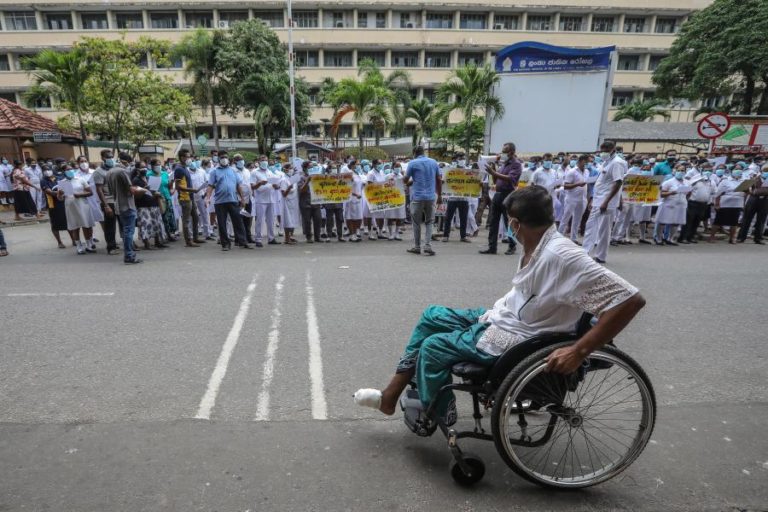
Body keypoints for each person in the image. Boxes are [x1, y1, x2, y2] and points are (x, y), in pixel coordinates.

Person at [353, 185, 645, 424]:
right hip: (502, 318)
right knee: (432, 316)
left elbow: (631, 300)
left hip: (517, 337)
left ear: (515, 223)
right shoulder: (538, 245)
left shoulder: (562, 256)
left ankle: (438, 412)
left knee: (433, 347)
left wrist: (579, 350)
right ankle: (391, 396)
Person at [582, 140, 625, 264]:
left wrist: (606, 202)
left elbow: (618, 183)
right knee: (591, 226)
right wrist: (593, 199)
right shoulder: (606, 162)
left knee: (604, 229)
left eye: (606, 150)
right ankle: (585, 252)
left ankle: (601, 256)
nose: (603, 153)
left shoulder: (617, 163)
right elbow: (601, 183)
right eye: (602, 150)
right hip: (598, 199)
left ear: (613, 150)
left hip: (607, 202)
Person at [204, 150, 252, 251]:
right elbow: (210, 186)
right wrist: (207, 198)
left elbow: (238, 185)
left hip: (233, 200)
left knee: (238, 221)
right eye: (221, 158)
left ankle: (242, 241)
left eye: (225, 157)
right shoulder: (214, 172)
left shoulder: (233, 171)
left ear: (228, 159)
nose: (224, 159)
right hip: (220, 202)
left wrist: (242, 198)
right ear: (219, 159)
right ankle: (225, 244)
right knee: (222, 223)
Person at [479, 142, 521, 255]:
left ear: (511, 152)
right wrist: (492, 171)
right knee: (493, 221)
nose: (502, 153)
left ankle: (512, 246)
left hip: (509, 195)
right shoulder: (504, 164)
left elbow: (511, 179)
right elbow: (496, 181)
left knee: (509, 222)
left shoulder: (516, 164)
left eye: (505, 151)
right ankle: (492, 247)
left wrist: (494, 173)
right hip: (498, 194)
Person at [106, 153, 144, 264]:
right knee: (128, 231)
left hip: (118, 204)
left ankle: (129, 254)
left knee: (125, 230)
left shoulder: (110, 172)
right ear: (126, 162)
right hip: (127, 204)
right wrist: (142, 190)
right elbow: (130, 190)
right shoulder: (122, 172)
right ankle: (129, 255)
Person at [404, 146, 441, 256]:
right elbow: (439, 179)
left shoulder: (412, 163)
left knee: (416, 223)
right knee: (429, 222)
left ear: (414, 153)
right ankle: (428, 246)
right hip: (430, 197)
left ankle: (417, 246)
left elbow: (406, 179)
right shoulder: (433, 162)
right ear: (423, 152)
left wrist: (408, 182)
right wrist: (440, 195)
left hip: (417, 197)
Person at [58, 165, 96, 255]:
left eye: (71, 169)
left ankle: (89, 245)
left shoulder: (80, 179)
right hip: (70, 206)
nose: (70, 170)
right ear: (64, 172)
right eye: (67, 169)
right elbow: (60, 198)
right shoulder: (62, 183)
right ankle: (79, 246)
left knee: (86, 225)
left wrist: (80, 194)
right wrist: (60, 194)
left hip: (82, 204)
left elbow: (90, 192)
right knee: (75, 226)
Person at [131, 162, 167, 250]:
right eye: (142, 167)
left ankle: (158, 242)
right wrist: (145, 189)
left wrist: (156, 193)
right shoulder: (136, 180)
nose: (145, 169)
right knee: (145, 224)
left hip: (153, 203)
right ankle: (147, 244)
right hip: (143, 205)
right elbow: (136, 195)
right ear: (137, 169)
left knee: (156, 222)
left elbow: (153, 190)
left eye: (145, 167)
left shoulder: (148, 178)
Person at [173, 149, 204, 248]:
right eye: (187, 157)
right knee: (186, 220)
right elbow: (178, 186)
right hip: (185, 197)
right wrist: (191, 190)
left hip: (190, 197)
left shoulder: (184, 168)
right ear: (182, 157)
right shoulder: (179, 169)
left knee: (196, 218)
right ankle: (188, 241)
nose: (189, 159)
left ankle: (195, 238)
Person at [93, 150, 121, 255]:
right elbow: (99, 189)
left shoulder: (116, 168)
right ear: (102, 158)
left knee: (123, 223)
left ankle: (127, 243)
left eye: (111, 157)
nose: (110, 159)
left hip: (119, 199)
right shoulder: (98, 172)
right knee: (110, 225)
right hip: (108, 201)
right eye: (107, 157)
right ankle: (111, 247)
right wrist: (105, 205)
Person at [709, 166, 746, 244]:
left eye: (739, 169)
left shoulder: (743, 181)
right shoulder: (725, 181)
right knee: (718, 221)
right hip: (725, 203)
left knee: (734, 222)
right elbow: (718, 193)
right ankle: (712, 237)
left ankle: (732, 238)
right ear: (731, 171)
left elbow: (746, 194)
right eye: (736, 169)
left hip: (737, 204)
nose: (738, 171)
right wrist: (717, 204)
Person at [653, 165, 688, 246]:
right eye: (679, 170)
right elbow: (661, 194)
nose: (681, 172)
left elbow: (688, 193)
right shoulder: (669, 182)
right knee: (662, 222)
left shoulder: (687, 182)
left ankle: (670, 239)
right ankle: (658, 238)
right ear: (675, 171)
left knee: (676, 222)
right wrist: (671, 193)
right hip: (668, 204)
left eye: (683, 170)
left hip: (680, 205)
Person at [558, 154, 588, 244]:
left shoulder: (586, 171)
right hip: (571, 198)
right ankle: (559, 238)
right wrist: (577, 184)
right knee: (566, 218)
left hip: (582, 198)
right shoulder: (572, 171)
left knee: (577, 219)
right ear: (580, 161)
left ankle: (573, 238)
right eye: (585, 162)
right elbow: (566, 186)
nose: (587, 164)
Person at [251, 155, 279, 247]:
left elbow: (274, 184)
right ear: (258, 161)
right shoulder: (255, 172)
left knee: (271, 220)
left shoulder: (270, 172)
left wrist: (276, 186)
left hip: (271, 199)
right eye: (262, 160)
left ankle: (271, 238)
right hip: (261, 200)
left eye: (266, 160)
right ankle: (258, 239)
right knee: (260, 220)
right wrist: (259, 183)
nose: (264, 162)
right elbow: (252, 187)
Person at [40, 165, 71, 249]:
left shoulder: (58, 178)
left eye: (48, 169)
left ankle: (74, 240)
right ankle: (59, 242)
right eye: (45, 170)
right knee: (54, 224)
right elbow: (48, 191)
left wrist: (63, 192)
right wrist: (59, 193)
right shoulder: (43, 181)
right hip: (52, 204)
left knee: (68, 221)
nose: (47, 171)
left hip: (63, 202)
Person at [737, 164, 768, 244]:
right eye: (765, 171)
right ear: (761, 171)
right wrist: (750, 191)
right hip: (753, 200)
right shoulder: (754, 178)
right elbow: (743, 189)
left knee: (761, 220)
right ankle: (741, 237)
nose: (766, 172)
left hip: (764, 201)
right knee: (746, 219)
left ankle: (758, 238)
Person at [148, 157, 177, 241]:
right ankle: (161, 235)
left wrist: (171, 184)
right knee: (160, 218)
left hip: (167, 196)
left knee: (168, 217)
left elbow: (168, 185)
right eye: (157, 165)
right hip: (156, 198)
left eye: (159, 164)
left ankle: (169, 234)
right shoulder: (148, 174)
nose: (159, 166)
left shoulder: (164, 174)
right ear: (152, 166)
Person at [299, 161, 323, 243]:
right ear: (305, 168)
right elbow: (301, 190)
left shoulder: (317, 177)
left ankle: (317, 237)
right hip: (305, 202)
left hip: (316, 202)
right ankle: (308, 237)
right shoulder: (301, 177)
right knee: (307, 221)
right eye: (310, 167)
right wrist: (307, 181)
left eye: (313, 167)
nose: (312, 169)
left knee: (318, 219)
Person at [279, 163, 300, 245]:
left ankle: (290, 236)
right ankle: (286, 239)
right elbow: (283, 194)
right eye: (290, 168)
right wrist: (289, 188)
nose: (291, 170)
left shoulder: (292, 178)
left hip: (293, 202)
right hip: (286, 202)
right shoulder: (283, 180)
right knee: (287, 220)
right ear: (286, 169)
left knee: (292, 220)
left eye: (292, 168)